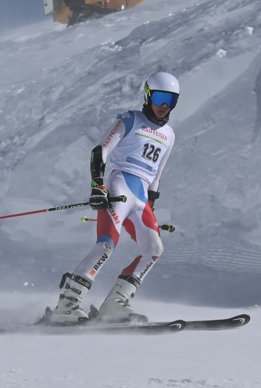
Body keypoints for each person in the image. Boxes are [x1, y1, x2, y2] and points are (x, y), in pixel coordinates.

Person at [49, 71, 180, 324]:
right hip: (119, 189)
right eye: (160, 98)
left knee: (154, 249)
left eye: (171, 100)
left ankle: (115, 304)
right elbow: (100, 151)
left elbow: (156, 176)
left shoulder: (170, 135)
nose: (164, 105)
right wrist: (97, 186)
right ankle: (68, 303)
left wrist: (151, 210)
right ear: (148, 95)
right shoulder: (131, 119)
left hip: (141, 199)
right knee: (106, 246)